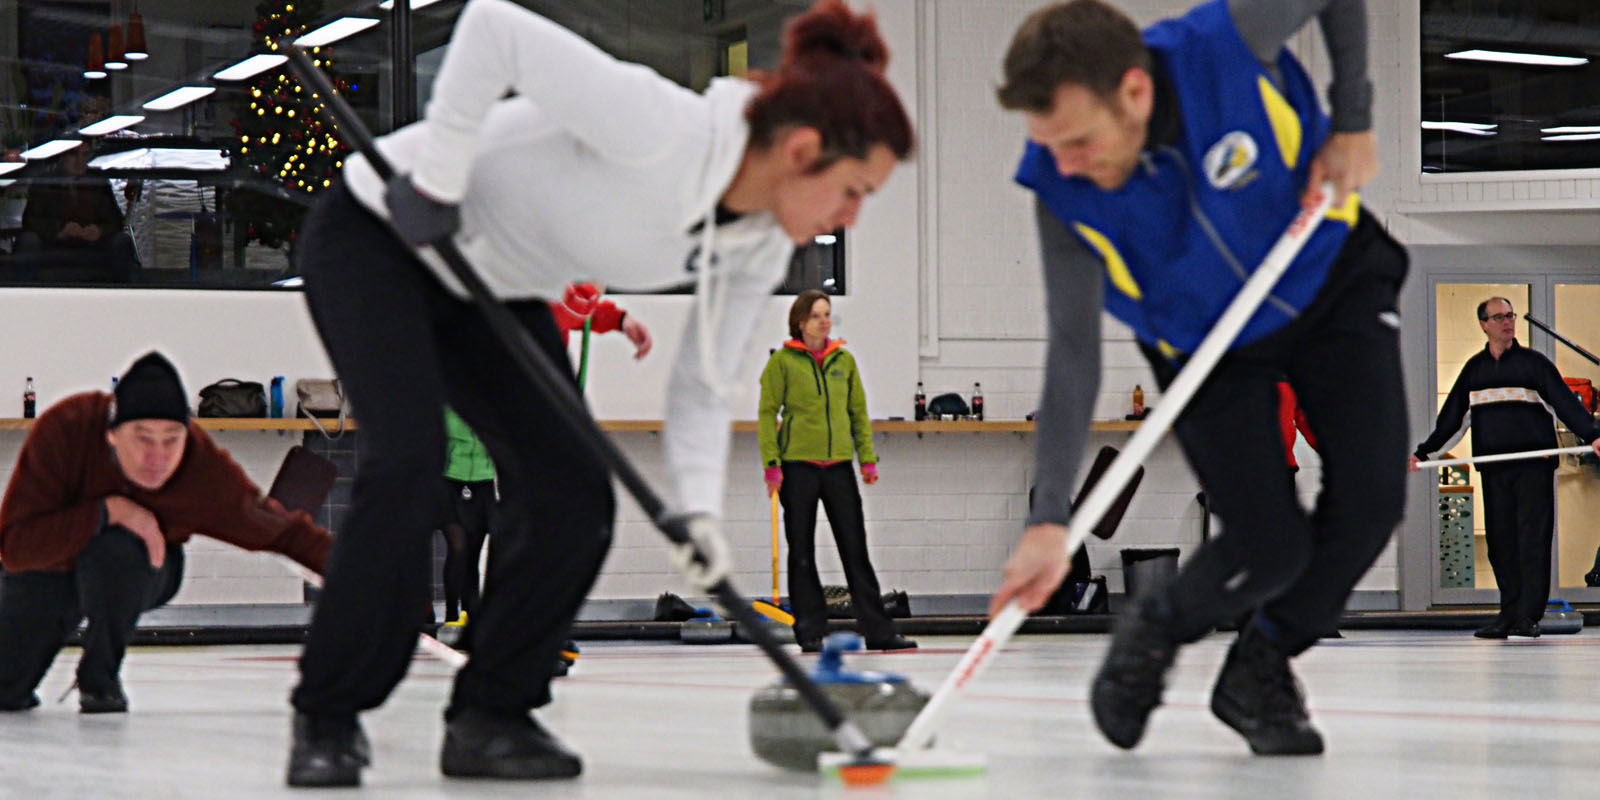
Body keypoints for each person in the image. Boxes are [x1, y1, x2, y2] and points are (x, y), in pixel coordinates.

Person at [283, 0, 912, 786]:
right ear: (803, 150)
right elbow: (493, 29)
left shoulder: (755, 241)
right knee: (409, 459)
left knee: (574, 495)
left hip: (496, 290)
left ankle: (491, 713)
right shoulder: (663, 127)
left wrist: (699, 517)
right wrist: (439, 176)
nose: (849, 216)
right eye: (853, 191)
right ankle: (329, 715)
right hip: (386, 234)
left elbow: (702, 386)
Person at [989, 0, 1410, 756]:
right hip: (1203, 343)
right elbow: (1073, 348)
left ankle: (1263, 664)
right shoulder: (1060, 188)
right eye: (1049, 145)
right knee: (1268, 543)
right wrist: (1049, 519)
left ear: (1135, 92)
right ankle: (1157, 627)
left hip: (1322, 275)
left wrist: (1353, 119)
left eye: (1080, 140)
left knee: (1373, 502)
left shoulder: (1220, 44)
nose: (1066, 165)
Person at [0, 352, 331, 713]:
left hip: (141, 567)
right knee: (5, 690)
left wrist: (362, 580)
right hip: (49, 570)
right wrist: (107, 511)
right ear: (111, 435)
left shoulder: (200, 467)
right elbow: (15, 547)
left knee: (118, 550)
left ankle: (100, 675)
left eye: (171, 439)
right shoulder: (66, 430)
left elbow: (281, 531)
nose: (157, 456)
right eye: (143, 438)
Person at [1410, 297, 1600, 638]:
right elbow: (1453, 421)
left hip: (1534, 467)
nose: (1507, 322)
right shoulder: (1474, 371)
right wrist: (1425, 454)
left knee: (1532, 541)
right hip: (1495, 470)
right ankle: (1508, 614)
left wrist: (1594, 435)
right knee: (1501, 543)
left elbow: (1564, 406)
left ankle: (1529, 617)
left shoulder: (1534, 365)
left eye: (1510, 316)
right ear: (1484, 324)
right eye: (1498, 317)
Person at [757, 289, 914, 653]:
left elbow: (857, 413)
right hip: (798, 468)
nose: (824, 321)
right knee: (801, 552)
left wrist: (867, 459)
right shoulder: (782, 363)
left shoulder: (844, 361)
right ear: (800, 322)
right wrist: (772, 466)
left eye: (827, 314)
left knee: (855, 549)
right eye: (816, 315)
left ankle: (879, 631)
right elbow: (767, 415)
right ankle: (810, 631)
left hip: (839, 467)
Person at [12, 144, 140, 283]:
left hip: (93, 246)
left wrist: (100, 230)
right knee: (27, 241)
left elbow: (116, 221)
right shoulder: (45, 183)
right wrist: (60, 231)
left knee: (121, 241)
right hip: (54, 247)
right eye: (74, 155)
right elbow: (31, 222)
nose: (80, 161)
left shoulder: (98, 182)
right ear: (63, 157)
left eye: (84, 155)